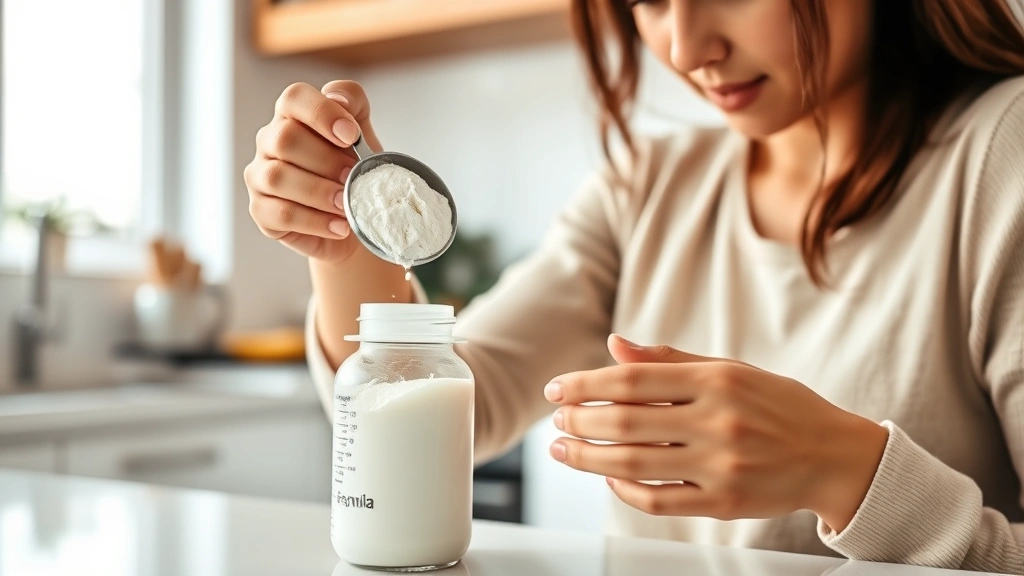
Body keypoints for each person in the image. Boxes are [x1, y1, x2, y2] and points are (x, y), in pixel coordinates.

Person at [243, 0, 1024, 571]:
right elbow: (452, 403)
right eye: (648, 0)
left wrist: (845, 470)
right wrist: (342, 241)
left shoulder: (1003, 155)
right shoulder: (648, 185)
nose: (687, 45)